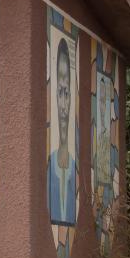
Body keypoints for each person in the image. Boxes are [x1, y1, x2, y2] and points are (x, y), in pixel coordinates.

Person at [47, 38, 77, 226]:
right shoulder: (49, 166)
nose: (64, 106)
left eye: (67, 93)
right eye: (60, 93)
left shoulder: (74, 168)